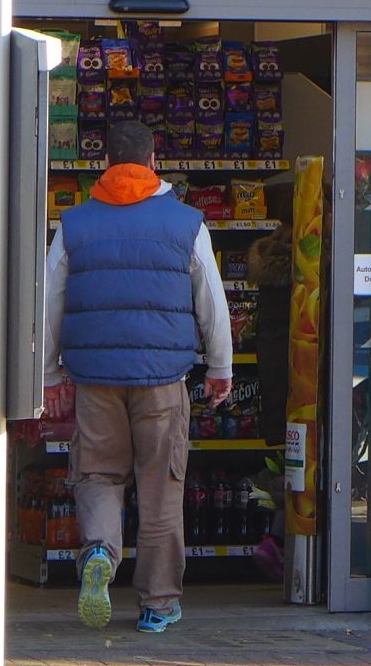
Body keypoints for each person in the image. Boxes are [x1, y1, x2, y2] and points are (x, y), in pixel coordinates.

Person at [43, 118, 232, 634]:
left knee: (98, 475)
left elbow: (49, 302)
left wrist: (47, 374)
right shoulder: (187, 222)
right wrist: (221, 367)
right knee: (160, 488)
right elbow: (211, 302)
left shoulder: (75, 224)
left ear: (106, 163)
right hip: (162, 379)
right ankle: (158, 603)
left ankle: (101, 550)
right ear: (153, 162)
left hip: (94, 378)